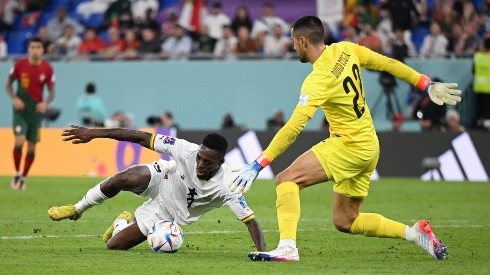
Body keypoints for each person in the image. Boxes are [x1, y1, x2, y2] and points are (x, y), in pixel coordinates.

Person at [229, 16, 461, 262]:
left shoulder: (318, 79)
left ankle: (287, 247)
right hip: (369, 147)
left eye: (294, 42)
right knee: (345, 220)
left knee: (286, 180)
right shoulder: (347, 49)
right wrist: (425, 84)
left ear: (304, 41)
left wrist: (259, 163)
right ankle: (414, 233)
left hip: (347, 146)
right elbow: (387, 63)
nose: (293, 47)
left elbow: (294, 127)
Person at [47, 126, 265, 252]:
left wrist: (263, 253)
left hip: (167, 213)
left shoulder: (229, 186)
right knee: (122, 179)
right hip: (163, 177)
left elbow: (250, 222)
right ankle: (77, 209)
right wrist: (94, 133)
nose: (200, 164)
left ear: (220, 162)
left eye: (208, 162)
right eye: (200, 158)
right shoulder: (185, 150)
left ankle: (120, 223)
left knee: (114, 246)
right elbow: (141, 137)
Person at [5, 37, 55, 190]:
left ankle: (24, 177)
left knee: (32, 147)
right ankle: (17, 172)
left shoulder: (47, 68)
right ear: (28, 49)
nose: (35, 50)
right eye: (32, 47)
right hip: (21, 110)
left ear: (42, 50)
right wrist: (14, 98)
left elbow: (52, 91)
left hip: (35, 112)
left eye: (38, 47)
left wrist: (45, 103)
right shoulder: (19, 65)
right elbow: (8, 84)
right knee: (19, 141)